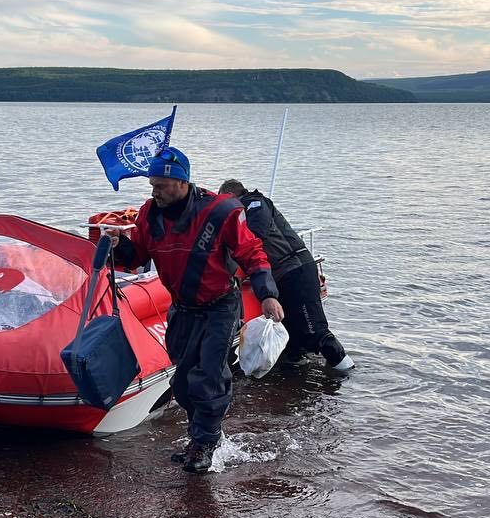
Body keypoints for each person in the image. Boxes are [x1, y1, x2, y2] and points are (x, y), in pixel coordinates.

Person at [107, 148, 284, 474]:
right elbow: (138, 255)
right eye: (152, 184)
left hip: (219, 305)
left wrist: (268, 295)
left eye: (160, 185)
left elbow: (252, 253)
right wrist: (121, 246)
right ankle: (200, 437)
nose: (153, 191)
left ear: (180, 182)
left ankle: (205, 442)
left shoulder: (220, 212)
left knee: (210, 375)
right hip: (182, 308)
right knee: (184, 382)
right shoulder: (150, 214)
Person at [218, 179, 354, 372]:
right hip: (284, 273)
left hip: (295, 270)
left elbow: (255, 235)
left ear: (230, 195)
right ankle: (299, 372)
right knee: (294, 337)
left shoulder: (253, 204)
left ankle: (347, 371)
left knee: (315, 331)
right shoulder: (247, 208)